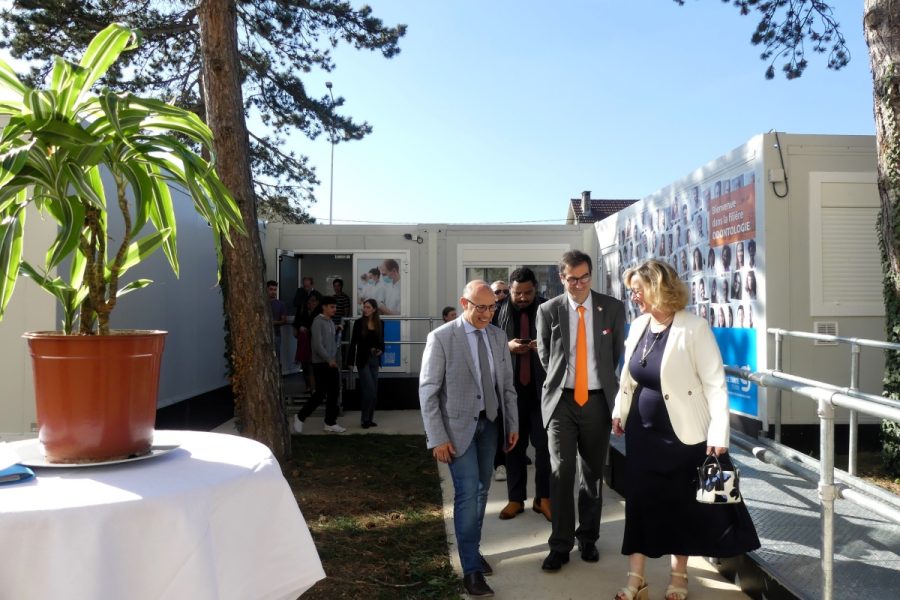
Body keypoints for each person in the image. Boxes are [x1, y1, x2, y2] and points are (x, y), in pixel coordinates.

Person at [611, 259, 759, 600]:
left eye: (637, 290)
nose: (634, 297)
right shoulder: (638, 326)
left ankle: (679, 577)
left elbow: (715, 384)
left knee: (681, 506)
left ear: (657, 288)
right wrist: (619, 413)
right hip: (641, 435)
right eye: (632, 290)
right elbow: (628, 380)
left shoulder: (694, 328)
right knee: (641, 505)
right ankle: (636, 579)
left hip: (684, 436)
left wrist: (719, 434)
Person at [419, 280, 519, 598]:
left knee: (480, 493)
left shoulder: (498, 336)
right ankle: (472, 572)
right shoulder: (442, 338)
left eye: (492, 307)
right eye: (481, 307)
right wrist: (437, 437)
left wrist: (512, 424)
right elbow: (428, 391)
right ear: (464, 304)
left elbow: (506, 387)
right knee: (466, 495)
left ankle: (471, 552)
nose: (488, 313)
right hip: (457, 430)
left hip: (490, 425)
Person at [536, 250, 625, 572]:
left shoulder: (612, 308)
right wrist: (567, 384)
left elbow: (614, 355)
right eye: (572, 279)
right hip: (562, 401)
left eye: (584, 277)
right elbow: (545, 357)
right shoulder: (548, 310)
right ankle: (559, 545)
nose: (579, 284)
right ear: (562, 278)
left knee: (592, 474)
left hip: (598, 401)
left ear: (591, 275)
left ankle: (588, 538)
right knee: (562, 474)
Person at [493, 268, 552, 522]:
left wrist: (545, 347)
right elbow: (488, 346)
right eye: (518, 293)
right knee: (513, 448)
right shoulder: (496, 312)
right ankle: (515, 499)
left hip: (542, 393)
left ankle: (543, 499)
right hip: (512, 393)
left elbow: (563, 346)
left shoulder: (549, 310)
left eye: (528, 292)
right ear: (510, 289)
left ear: (535, 288)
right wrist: (508, 347)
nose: (523, 297)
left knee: (544, 448)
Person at [293, 296, 346, 434]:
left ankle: (330, 422)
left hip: (331, 363)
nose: (334, 309)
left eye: (335, 307)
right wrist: (329, 359)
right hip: (321, 364)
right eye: (332, 307)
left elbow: (329, 337)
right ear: (324, 307)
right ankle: (300, 416)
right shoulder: (317, 322)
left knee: (334, 393)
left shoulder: (329, 322)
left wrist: (337, 327)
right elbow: (317, 345)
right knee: (320, 394)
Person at [347, 298, 384, 428]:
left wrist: (381, 350)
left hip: (374, 359)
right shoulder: (358, 323)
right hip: (363, 360)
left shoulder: (380, 323)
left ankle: (369, 419)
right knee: (370, 390)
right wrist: (350, 361)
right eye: (364, 307)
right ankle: (364, 419)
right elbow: (353, 343)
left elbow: (381, 342)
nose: (365, 309)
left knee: (374, 392)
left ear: (374, 309)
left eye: (368, 307)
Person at [293, 294, 321, 399]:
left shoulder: (319, 313)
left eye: (314, 301)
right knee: (305, 364)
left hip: (314, 341)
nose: (311, 303)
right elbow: (297, 322)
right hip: (304, 342)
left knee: (312, 365)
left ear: (318, 302)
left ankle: (314, 388)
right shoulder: (303, 311)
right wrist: (299, 327)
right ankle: (308, 386)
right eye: (309, 301)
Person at [267, 280, 287, 363]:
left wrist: (273, 323)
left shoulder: (280, 304)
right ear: (266, 289)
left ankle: (278, 375)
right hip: (262, 336)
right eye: (271, 289)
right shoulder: (261, 303)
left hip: (276, 335)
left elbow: (284, 320)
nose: (273, 292)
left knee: (276, 358)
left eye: (275, 290)